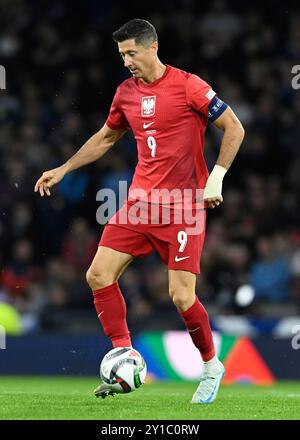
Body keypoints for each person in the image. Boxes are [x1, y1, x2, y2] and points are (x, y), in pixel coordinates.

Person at [34, 19, 244, 404]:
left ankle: (212, 366)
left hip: (182, 207)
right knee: (97, 274)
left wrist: (216, 177)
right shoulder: (125, 93)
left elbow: (234, 127)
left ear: (153, 47)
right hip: (138, 206)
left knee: (181, 297)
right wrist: (64, 168)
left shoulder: (188, 85)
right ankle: (124, 353)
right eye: (121, 55)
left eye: (131, 53)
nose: (127, 61)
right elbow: (107, 137)